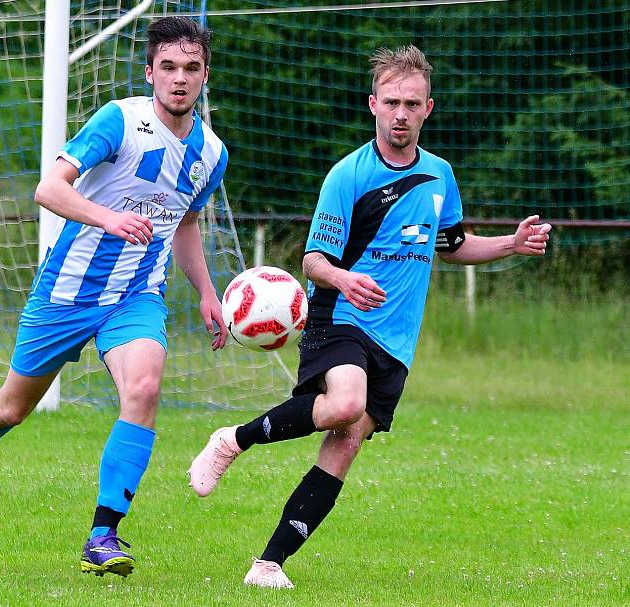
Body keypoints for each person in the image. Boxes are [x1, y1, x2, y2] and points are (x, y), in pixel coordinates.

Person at [188, 44, 551, 589]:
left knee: (346, 440)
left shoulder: (439, 176)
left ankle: (267, 566)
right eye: (391, 102)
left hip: (397, 339)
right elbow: (313, 260)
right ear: (373, 105)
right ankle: (232, 441)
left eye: (412, 103)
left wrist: (511, 244)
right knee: (346, 403)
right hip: (340, 318)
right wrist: (343, 278)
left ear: (428, 108)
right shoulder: (348, 176)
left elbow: (448, 244)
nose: (401, 113)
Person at [0, 16, 228, 578]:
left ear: (205, 74)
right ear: (150, 72)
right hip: (67, 291)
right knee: (11, 408)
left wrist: (207, 292)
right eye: (168, 67)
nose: (179, 79)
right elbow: (49, 188)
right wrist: (108, 218)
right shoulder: (119, 120)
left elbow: (185, 223)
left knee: (144, 385)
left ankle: (103, 535)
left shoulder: (211, 153)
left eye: (191, 68)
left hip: (136, 294)